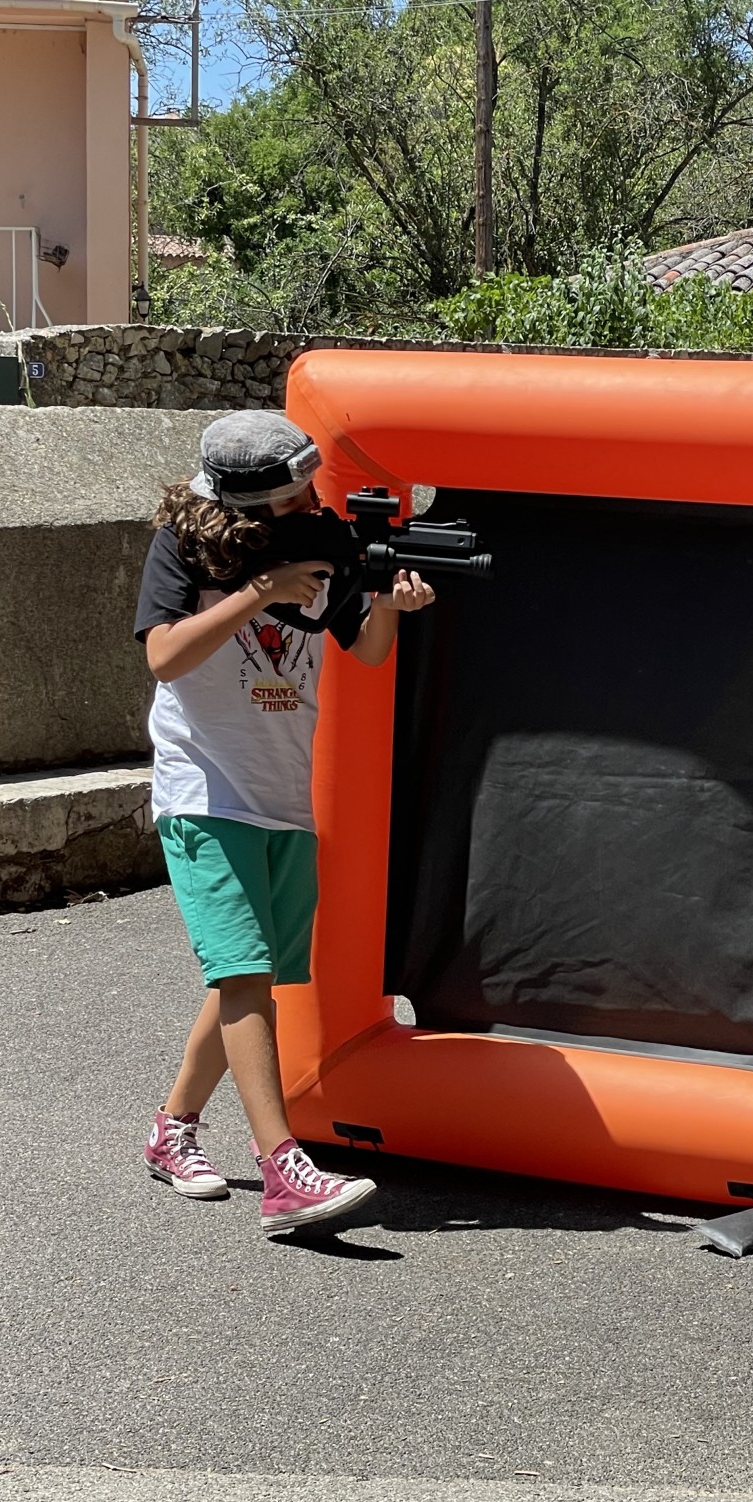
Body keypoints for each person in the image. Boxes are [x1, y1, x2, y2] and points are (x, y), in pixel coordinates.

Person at [135, 411, 435, 1237]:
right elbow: (163, 655)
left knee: (248, 973)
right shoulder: (183, 544)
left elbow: (365, 652)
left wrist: (388, 604)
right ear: (261, 499)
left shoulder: (324, 538)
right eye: (297, 485)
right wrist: (261, 593)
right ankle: (283, 1172)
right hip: (205, 789)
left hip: (281, 795)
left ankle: (172, 1133)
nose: (313, 491)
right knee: (244, 974)